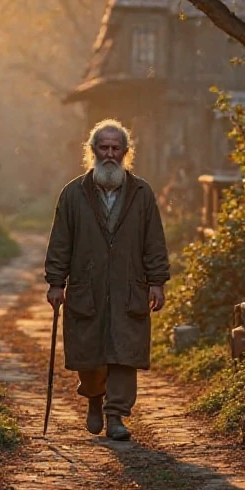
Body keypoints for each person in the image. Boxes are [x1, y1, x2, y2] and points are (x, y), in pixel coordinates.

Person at [45, 119, 170, 441]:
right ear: (93, 151)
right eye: (104, 148)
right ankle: (93, 399)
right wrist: (56, 282)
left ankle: (116, 415)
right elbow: (61, 241)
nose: (110, 154)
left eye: (116, 148)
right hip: (88, 287)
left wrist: (157, 281)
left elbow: (153, 240)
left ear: (126, 152)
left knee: (125, 353)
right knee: (89, 352)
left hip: (130, 287)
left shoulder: (141, 193)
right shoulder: (73, 194)